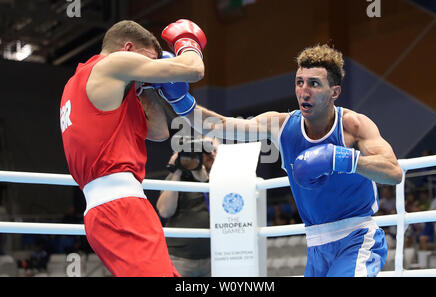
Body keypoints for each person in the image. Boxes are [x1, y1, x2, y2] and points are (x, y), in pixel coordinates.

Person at [167, 44, 403, 277]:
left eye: (314, 83)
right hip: (316, 244)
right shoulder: (281, 126)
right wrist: (181, 102)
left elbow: (393, 172)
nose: (304, 91)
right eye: (299, 82)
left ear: (335, 92)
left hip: (357, 237)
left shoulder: (353, 126)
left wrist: (341, 158)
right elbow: (222, 126)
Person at [59, 19, 206, 276]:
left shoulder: (82, 85)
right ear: (127, 49)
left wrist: (146, 88)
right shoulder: (112, 64)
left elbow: (159, 132)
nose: (148, 69)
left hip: (114, 208)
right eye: (147, 61)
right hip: (119, 208)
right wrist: (188, 41)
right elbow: (194, 69)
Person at [156, 137, 218, 277]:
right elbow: (165, 211)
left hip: (215, 256)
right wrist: (177, 170)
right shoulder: (177, 178)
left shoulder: (222, 179)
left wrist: (205, 181)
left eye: (214, 150)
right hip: (179, 258)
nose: (211, 154)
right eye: (205, 151)